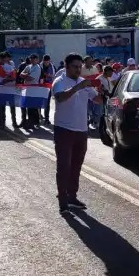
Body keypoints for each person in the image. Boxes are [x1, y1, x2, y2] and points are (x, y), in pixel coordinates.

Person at [51, 53, 100, 216]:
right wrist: (78, 87)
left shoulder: (84, 83)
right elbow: (60, 98)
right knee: (64, 166)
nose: (79, 69)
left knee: (76, 166)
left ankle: (72, 196)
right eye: (75, 66)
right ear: (66, 66)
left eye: (80, 66)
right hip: (64, 129)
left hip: (81, 130)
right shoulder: (59, 81)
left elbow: (97, 100)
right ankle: (63, 201)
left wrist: (104, 92)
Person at [20, 54, 43, 129]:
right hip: (27, 89)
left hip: (34, 89)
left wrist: (26, 75)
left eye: (34, 59)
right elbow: (21, 74)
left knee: (33, 107)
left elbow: (31, 78)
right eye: (31, 59)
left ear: (37, 60)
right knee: (29, 106)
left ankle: (33, 122)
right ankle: (32, 121)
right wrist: (27, 74)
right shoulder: (28, 66)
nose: (32, 60)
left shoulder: (37, 67)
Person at [41, 54, 57, 124]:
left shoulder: (52, 67)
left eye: (47, 62)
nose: (46, 63)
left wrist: (49, 76)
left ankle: (46, 118)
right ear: (43, 61)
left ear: (49, 61)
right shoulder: (39, 66)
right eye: (45, 62)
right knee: (39, 102)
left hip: (48, 87)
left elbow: (55, 76)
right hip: (40, 86)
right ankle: (39, 115)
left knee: (47, 103)